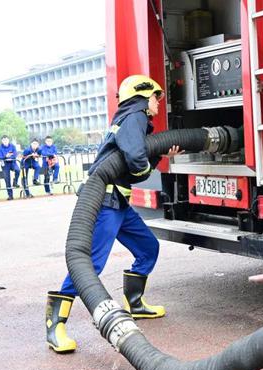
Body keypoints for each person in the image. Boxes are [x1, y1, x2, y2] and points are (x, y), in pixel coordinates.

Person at [46, 74, 183, 353]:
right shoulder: (136, 115)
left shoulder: (130, 119)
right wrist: (146, 165)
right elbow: (134, 157)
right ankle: (55, 326)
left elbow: (134, 157)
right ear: (143, 96)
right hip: (105, 201)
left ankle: (135, 304)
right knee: (89, 265)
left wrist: (159, 156)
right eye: (156, 96)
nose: (159, 102)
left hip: (119, 200)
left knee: (148, 247)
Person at [0, 135, 21, 200]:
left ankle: (15, 182)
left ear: (8, 140)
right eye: (4, 140)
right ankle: (10, 195)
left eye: (6, 140)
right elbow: (0, 157)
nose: (5, 141)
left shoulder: (12, 146)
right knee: (7, 179)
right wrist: (6, 156)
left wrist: (9, 157)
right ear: (2, 141)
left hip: (13, 162)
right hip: (5, 164)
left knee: (18, 170)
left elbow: (15, 154)